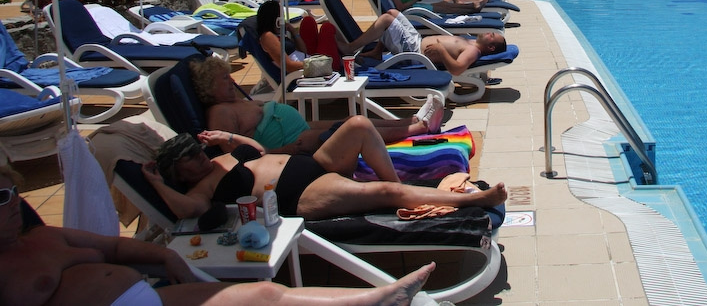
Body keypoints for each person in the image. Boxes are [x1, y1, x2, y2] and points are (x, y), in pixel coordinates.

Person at [0, 163, 437, 306]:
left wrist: (166, 258)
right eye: (3, 198)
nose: (16, 203)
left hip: (147, 295)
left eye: (15, 193)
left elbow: (114, 246)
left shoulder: (45, 236)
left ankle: (375, 299)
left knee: (265, 292)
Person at [146, 133, 507, 224]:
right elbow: (187, 211)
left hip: (312, 165)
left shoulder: (218, 160)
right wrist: (156, 184)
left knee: (359, 126)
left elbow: (257, 152)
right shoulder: (201, 188)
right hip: (301, 192)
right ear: (178, 172)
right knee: (382, 191)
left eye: (196, 149)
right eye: (189, 157)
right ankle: (473, 199)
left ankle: (400, 188)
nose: (199, 156)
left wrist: (229, 138)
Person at [191, 56, 445, 155]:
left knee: (349, 120)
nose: (231, 81)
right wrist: (283, 150)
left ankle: (410, 121)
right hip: (294, 143)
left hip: (301, 129)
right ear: (208, 87)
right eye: (223, 78)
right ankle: (419, 129)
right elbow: (234, 153)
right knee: (356, 128)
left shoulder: (234, 102)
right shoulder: (220, 112)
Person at [338, 10, 506, 77]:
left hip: (415, 54)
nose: (489, 32)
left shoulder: (473, 51)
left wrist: (441, 49)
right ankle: (377, 52)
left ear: (490, 47)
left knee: (387, 19)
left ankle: (350, 48)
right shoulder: (472, 42)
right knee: (393, 13)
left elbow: (457, 70)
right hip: (416, 41)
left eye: (492, 35)